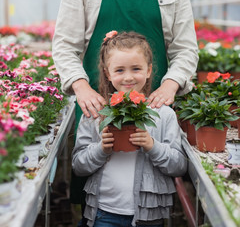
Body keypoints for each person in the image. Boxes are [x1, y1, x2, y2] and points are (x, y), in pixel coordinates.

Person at [52, 0, 198, 211]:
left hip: (154, 112)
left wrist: (171, 84)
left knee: (151, 189)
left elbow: (187, 50)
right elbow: (64, 45)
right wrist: (81, 87)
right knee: (94, 190)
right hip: (98, 108)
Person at [72, 31, 187, 227]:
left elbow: (179, 166)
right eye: (119, 70)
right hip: (103, 213)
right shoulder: (95, 113)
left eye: (136, 68)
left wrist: (152, 146)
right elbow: (78, 166)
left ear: (149, 70)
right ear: (107, 73)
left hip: (148, 216)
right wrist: (101, 149)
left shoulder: (163, 114)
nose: (128, 77)